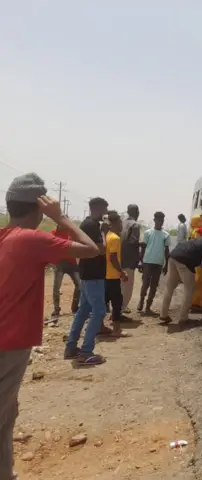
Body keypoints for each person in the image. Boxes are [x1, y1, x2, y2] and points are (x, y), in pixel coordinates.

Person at [0, 174, 99, 480]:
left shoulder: (5, 236)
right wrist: (61, 217)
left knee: (7, 414)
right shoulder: (32, 239)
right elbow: (90, 248)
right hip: (9, 341)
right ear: (39, 207)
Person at [65, 196, 111, 366]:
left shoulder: (87, 224)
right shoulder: (92, 225)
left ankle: (71, 347)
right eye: (105, 210)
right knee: (99, 311)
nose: (105, 214)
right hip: (93, 275)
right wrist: (105, 232)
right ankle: (85, 352)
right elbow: (101, 249)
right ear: (98, 208)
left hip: (87, 274)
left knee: (83, 311)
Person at [160, 236, 202, 324]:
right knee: (190, 290)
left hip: (173, 256)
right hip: (185, 261)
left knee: (170, 287)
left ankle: (163, 314)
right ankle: (183, 318)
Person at [138, 212, 170, 315]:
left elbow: (167, 251)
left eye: (162, 220)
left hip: (158, 263)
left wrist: (166, 265)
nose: (160, 222)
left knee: (154, 285)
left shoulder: (166, 235)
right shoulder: (148, 233)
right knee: (145, 283)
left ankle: (148, 306)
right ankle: (141, 300)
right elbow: (143, 248)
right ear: (154, 220)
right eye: (158, 219)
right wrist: (141, 261)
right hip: (147, 261)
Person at [104, 211, 130, 337]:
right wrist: (121, 272)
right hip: (112, 275)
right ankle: (116, 330)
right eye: (120, 222)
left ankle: (100, 327)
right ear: (115, 223)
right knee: (117, 302)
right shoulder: (115, 238)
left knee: (104, 302)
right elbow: (113, 258)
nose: (122, 225)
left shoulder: (107, 235)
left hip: (105, 275)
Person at [50, 224, 81, 319]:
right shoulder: (53, 233)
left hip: (72, 263)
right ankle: (56, 309)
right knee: (56, 288)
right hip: (60, 263)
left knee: (79, 286)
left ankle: (75, 307)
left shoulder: (71, 233)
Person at [120, 204, 140, 313]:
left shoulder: (121, 222)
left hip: (118, 260)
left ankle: (118, 308)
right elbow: (133, 242)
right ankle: (120, 311)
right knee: (127, 288)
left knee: (120, 286)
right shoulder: (135, 225)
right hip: (129, 260)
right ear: (137, 212)